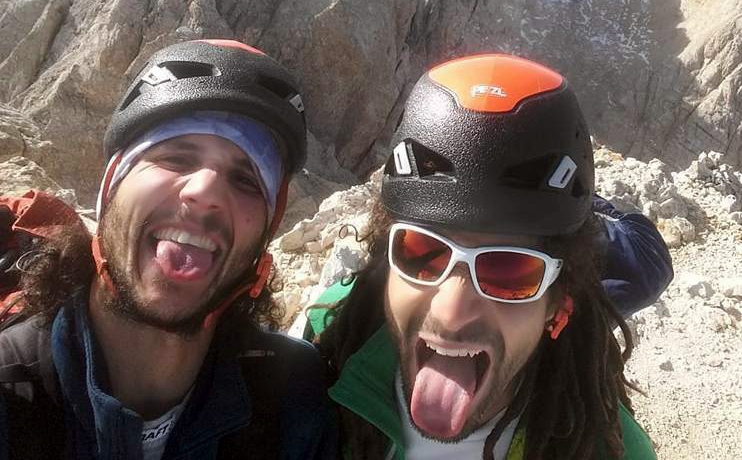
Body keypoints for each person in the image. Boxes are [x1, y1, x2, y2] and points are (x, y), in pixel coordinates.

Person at [310, 53, 664, 460]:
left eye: (508, 270)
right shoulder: (324, 344)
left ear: (558, 304)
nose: (451, 311)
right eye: (422, 253)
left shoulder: (609, 452)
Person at [0, 39, 337, 459]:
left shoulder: (292, 401)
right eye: (177, 157)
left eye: (246, 180)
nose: (205, 191)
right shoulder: (10, 388)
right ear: (111, 189)